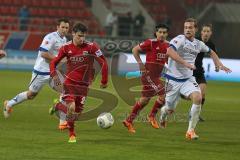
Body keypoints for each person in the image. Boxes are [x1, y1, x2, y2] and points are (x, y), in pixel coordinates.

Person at [160, 18, 231, 140]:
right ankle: (163, 115)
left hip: (188, 79)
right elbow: (170, 51)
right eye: (186, 27)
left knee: (198, 97)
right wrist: (185, 63)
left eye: (190, 27)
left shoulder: (198, 44)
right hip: (172, 80)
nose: (187, 29)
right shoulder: (179, 39)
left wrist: (219, 63)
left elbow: (211, 52)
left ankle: (190, 131)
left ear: (195, 29)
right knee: (169, 109)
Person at [122, 24, 194, 133]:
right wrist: (140, 64)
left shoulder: (169, 46)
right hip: (148, 75)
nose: (162, 34)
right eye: (160, 32)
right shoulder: (150, 43)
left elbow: (170, 61)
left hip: (156, 76)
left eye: (164, 32)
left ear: (167, 34)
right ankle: (151, 116)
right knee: (163, 95)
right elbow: (134, 49)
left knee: (144, 100)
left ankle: (128, 121)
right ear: (156, 33)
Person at [50, 23, 108, 143]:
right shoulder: (66, 48)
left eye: (83, 36)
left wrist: (104, 80)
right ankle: (72, 134)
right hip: (70, 83)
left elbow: (104, 62)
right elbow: (53, 63)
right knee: (71, 107)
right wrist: (54, 76)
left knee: (77, 114)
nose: (82, 39)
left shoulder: (91, 47)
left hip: (84, 85)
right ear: (73, 34)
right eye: (79, 36)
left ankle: (58, 106)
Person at [3, 19, 70, 119]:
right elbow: (43, 53)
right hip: (41, 71)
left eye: (67, 28)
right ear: (57, 27)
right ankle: (9, 104)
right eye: (63, 27)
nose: (64, 29)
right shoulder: (50, 37)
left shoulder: (64, 39)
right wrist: (58, 59)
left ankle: (60, 113)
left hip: (53, 71)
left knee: (65, 90)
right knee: (31, 95)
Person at [183, 24, 217, 122]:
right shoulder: (194, 41)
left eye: (208, 31)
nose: (206, 33)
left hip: (199, 71)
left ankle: (194, 114)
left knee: (202, 94)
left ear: (211, 33)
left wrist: (217, 65)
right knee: (192, 95)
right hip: (189, 70)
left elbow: (214, 55)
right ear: (201, 32)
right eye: (204, 31)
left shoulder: (210, 44)